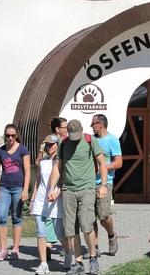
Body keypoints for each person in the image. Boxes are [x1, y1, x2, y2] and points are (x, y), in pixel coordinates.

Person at [48, 119, 108, 275]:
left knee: (87, 225)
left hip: (87, 189)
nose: (74, 137)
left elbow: (102, 163)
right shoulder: (64, 143)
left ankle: (93, 258)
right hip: (68, 190)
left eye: (76, 135)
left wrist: (102, 185)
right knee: (71, 228)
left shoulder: (90, 140)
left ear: (81, 131)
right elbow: (58, 167)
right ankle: (78, 262)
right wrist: (52, 188)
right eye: (71, 134)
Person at [30, 134, 73, 274]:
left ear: (58, 145)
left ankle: (68, 252)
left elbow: (63, 181)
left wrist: (57, 192)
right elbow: (38, 180)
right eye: (47, 145)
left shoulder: (62, 161)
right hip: (41, 199)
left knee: (59, 232)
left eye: (51, 144)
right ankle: (43, 263)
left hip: (55, 199)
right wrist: (33, 197)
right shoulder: (42, 161)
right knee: (40, 232)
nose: (49, 147)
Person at [0, 123, 31, 260]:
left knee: (16, 217)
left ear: (16, 136)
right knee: (2, 217)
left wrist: (26, 189)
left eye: (13, 135)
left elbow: (27, 171)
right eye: (8, 135)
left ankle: (15, 248)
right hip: (4, 187)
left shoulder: (23, 150)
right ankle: (2, 249)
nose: (10, 138)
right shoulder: (0, 151)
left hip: (18, 187)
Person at [88, 114, 122, 256]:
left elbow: (118, 163)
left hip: (105, 182)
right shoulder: (90, 140)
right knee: (90, 217)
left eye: (93, 124)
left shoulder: (112, 140)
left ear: (100, 124)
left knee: (103, 215)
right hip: (89, 183)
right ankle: (94, 247)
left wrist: (102, 167)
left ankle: (112, 235)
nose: (91, 126)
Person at [35, 117, 68, 252]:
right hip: (46, 188)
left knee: (60, 223)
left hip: (60, 190)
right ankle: (48, 244)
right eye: (64, 127)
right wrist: (43, 163)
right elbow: (39, 159)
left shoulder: (66, 143)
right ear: (57, 129)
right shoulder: (48, 141)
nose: (66, 130)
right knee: (46, 218)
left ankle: (66, 248)